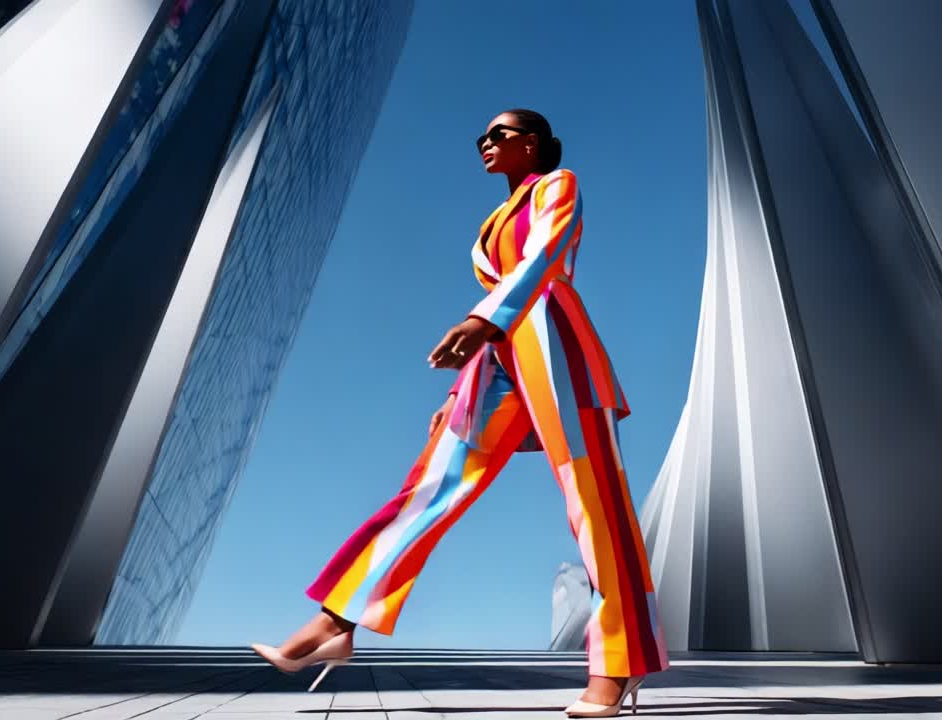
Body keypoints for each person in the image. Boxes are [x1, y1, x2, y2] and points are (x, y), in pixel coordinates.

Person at [251, 109, 668, 718]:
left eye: (500, 134)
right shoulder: (487, 226)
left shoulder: (558, 184)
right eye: (482, 137)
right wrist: (454, 396)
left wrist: (481, 320)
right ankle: (335, 622)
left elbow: (547, 254)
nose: (487, 143)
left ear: (534, 145)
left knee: (595, 503)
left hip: (554, 344)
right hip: (497, 362)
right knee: (427, 487)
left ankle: (620, 662)